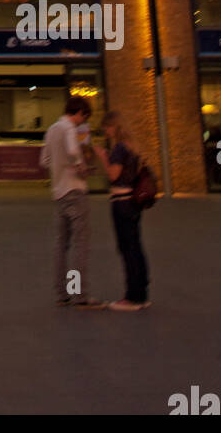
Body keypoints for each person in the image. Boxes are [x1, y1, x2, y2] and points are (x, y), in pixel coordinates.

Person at [40, 96, 104, 309]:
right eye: (83, 118)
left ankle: (61, 293)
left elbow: (45, 161)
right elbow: (74, 152)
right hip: (75, 190)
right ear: (79, 113)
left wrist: (60, 168)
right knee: (80, 244)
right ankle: (79, 294)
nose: (81, 123)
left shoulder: (51, 130)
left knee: (61, 244)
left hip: (58, 192)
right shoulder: (68, 129)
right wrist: (82, 167)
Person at [93, 112, 150, 312]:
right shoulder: (132, 147)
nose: (106, 133)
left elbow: (113, 175)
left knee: (127, 248)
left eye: (106, 128)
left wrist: (103, 158)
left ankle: (131, 298)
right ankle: (141, 294)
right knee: (136, 247)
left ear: (114, 127)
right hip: (133, 202)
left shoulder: (118, 148)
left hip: (121, 202)